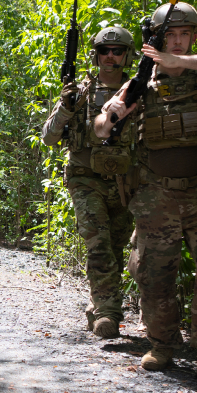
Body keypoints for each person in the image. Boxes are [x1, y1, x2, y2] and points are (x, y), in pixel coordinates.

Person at [92, 0, 197, 384]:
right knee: (155, 272)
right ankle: (162, 344)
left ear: (194, 36)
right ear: (157, 38)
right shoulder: (141, 82)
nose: (179, 41)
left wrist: (182, 64)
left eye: (185, 34)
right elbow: (102, 128)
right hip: (156, 193)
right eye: (171, 35)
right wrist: (114, 116)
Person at [40, 25, 137, 336]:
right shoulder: (79, 92)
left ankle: (98, 304)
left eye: (117, 51)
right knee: (98, 246)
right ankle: (110, 313)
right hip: (86, 180)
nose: (111, 57)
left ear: (127, 55)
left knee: (115, 246)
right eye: (105, 51)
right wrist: (66, 109)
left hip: (124, 182)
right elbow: (49, 137)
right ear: (95, 55)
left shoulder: (138, 91)